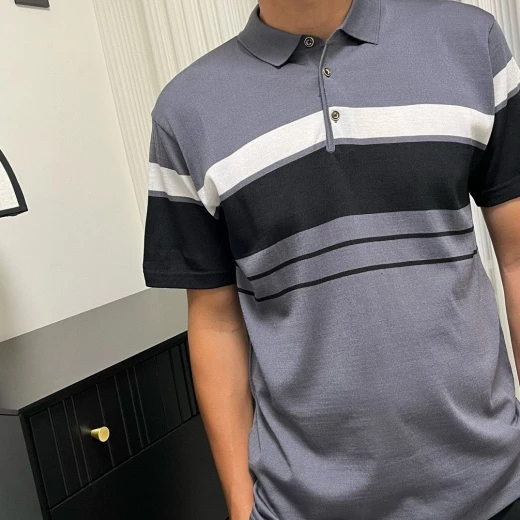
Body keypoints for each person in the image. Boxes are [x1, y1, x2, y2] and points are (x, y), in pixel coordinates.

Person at [142, 0, 520, 518]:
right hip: (302, 505)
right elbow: (215, 321)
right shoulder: (186, 111)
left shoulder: (469, 41)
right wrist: (239, 505)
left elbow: (516, 258)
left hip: (494, 486)